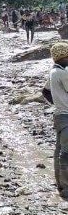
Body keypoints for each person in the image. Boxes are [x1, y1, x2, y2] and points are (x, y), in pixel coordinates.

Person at [42, 43, 68, 199]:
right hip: (66, 115)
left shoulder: (54, 71)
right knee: (66, 153)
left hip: (59, 115)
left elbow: (45, 91)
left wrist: (58, 103)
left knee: (60, 149)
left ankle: (60, 184)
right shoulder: (63, 73)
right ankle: (66, 187)